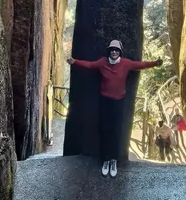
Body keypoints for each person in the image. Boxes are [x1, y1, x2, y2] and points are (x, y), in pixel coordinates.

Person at [67, 39, 162, 178]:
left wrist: (155, 63)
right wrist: (75, 62)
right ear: (109, 51)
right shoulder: (102, 62)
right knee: (105, 130)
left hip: (119, 102)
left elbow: (140, 64)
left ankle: (113, 161)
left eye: (117, 50)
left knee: (116, 132)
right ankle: (106, 160)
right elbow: (90, 65)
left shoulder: (125, 63)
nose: (114, 52)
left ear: (120, 52)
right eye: (112, 49)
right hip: (105, 101)